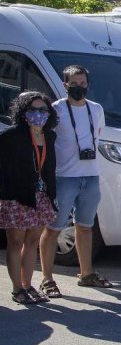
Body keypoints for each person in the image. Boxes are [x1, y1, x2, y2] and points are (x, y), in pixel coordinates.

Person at [39, 66, 111, 298]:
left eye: (82, 83)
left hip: (90, 175)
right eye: (74, 84)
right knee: (53, 228)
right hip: (64, 176)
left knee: (85, 226)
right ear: (65, 85)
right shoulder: (56, 109)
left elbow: (97, 134)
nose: (79, 87)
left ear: (87, 84)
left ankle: (86, 273)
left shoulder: (96, 109)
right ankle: (47, 279)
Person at [0, 92, 58, 304]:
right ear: (23, 112)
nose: (38, 114)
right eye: (33, 109)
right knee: (15, 242)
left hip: (41, 196)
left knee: (32, 241)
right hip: (16, 196)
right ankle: (17, 289)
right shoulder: (10, 136)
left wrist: (52, 195)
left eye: (43, 110)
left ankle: (27, 285)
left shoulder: (49, 136)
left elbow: (50, 167)